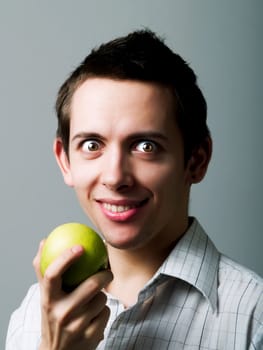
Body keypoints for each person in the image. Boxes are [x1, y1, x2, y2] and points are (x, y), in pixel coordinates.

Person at [6, 29, 263, 350]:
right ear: (65, 161)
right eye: (91, 144)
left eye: (145, 145)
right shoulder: (33, 316)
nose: (115, 177)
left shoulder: (254, 317)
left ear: (196, 160)